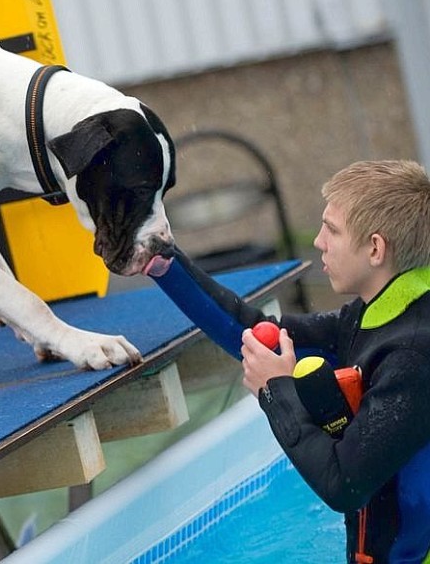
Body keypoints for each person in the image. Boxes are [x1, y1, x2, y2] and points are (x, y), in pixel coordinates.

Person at [168, 160, 430, 563]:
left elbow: (344, 484)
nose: (319, 242)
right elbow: (259, 335)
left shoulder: (412, 357)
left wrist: (276, 393)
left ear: (375, 248)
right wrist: (163, 262)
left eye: (332, 230)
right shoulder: (375, 315)